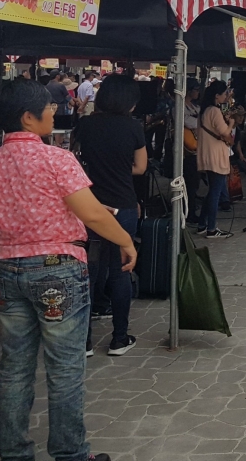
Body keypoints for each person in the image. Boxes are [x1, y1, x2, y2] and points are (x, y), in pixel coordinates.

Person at [0, 79, 136, 461]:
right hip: (58, 270)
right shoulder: (57, 159)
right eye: (47, 107)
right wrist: (126, 241)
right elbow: (93, 213)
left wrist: (19, 218)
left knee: (14, 368)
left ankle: (14, 453)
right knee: (64, 369)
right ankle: (71, 453)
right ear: (28, 118)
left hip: (8, 269)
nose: (53, 112)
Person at [74, 74, 147, 357]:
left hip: (88, 205)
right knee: (120, 271)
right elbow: (140, 167)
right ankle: (119, 338)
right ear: (129, 102)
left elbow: (75, 162)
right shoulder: (133, 127)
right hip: (123, 206)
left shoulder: (86, 125)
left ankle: (85, 342)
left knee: (88, 272)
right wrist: (119, 169)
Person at [196, 81, 235, 238]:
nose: (226, 96)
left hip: (207, 153)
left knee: (212, 191)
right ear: (217, 96)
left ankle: (202, 225)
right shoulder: (214, 111)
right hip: (216, 155)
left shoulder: (204, 110)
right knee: (215, 192)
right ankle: (211, 228)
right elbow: (225, 132)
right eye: (224, 93)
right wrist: (231, 123)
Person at [181, 80, 201, 222]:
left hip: (195, 147)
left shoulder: (194, 107)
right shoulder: (179, 107)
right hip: (185, 150)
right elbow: (187, 122)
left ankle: (192, 208)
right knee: (189, 182)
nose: (198, 92)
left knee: (194, 182)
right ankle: (188, 212)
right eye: (196, 89)